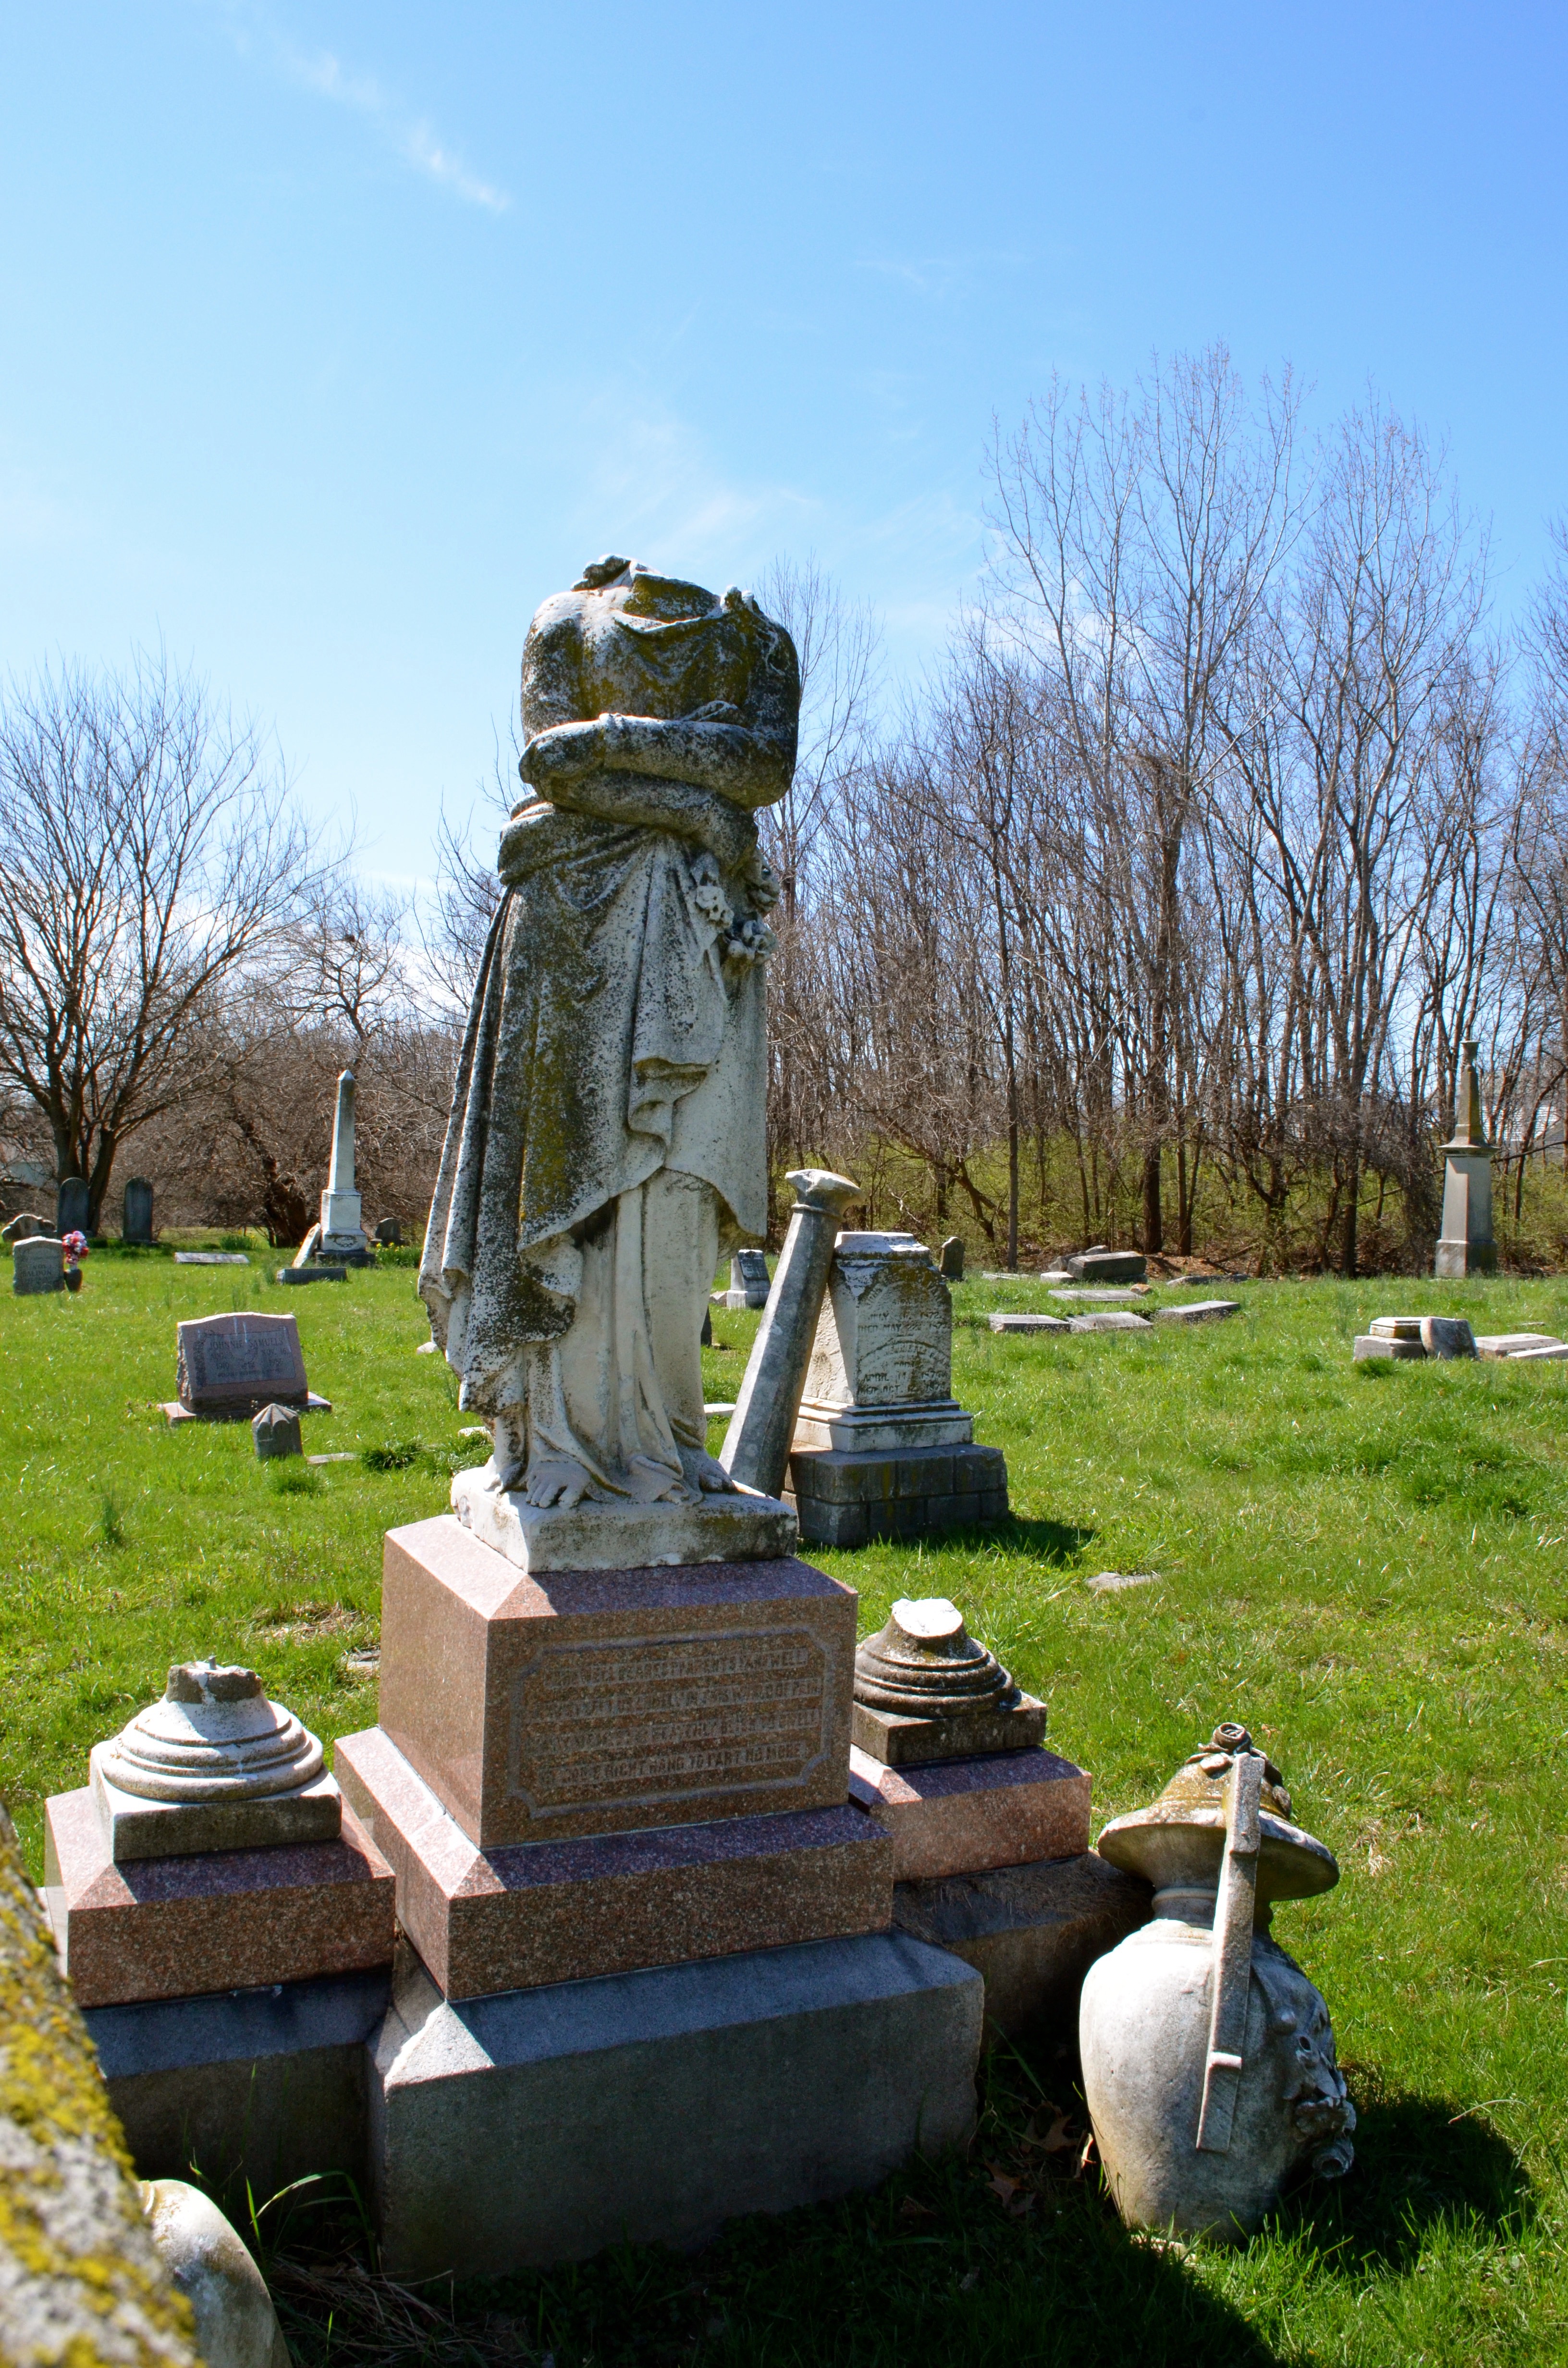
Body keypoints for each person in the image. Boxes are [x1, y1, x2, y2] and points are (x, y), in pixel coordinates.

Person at [419, 556, 799, 1512]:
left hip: (703, 930)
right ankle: (558, 1441)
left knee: (680, 1194)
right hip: (573, 918)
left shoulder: (759, 642)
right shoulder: (563, 619)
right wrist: (703, 806)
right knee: (569, 1190)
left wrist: (617, 746)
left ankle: (670, 1436)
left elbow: (764, 768)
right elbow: (550, 762)